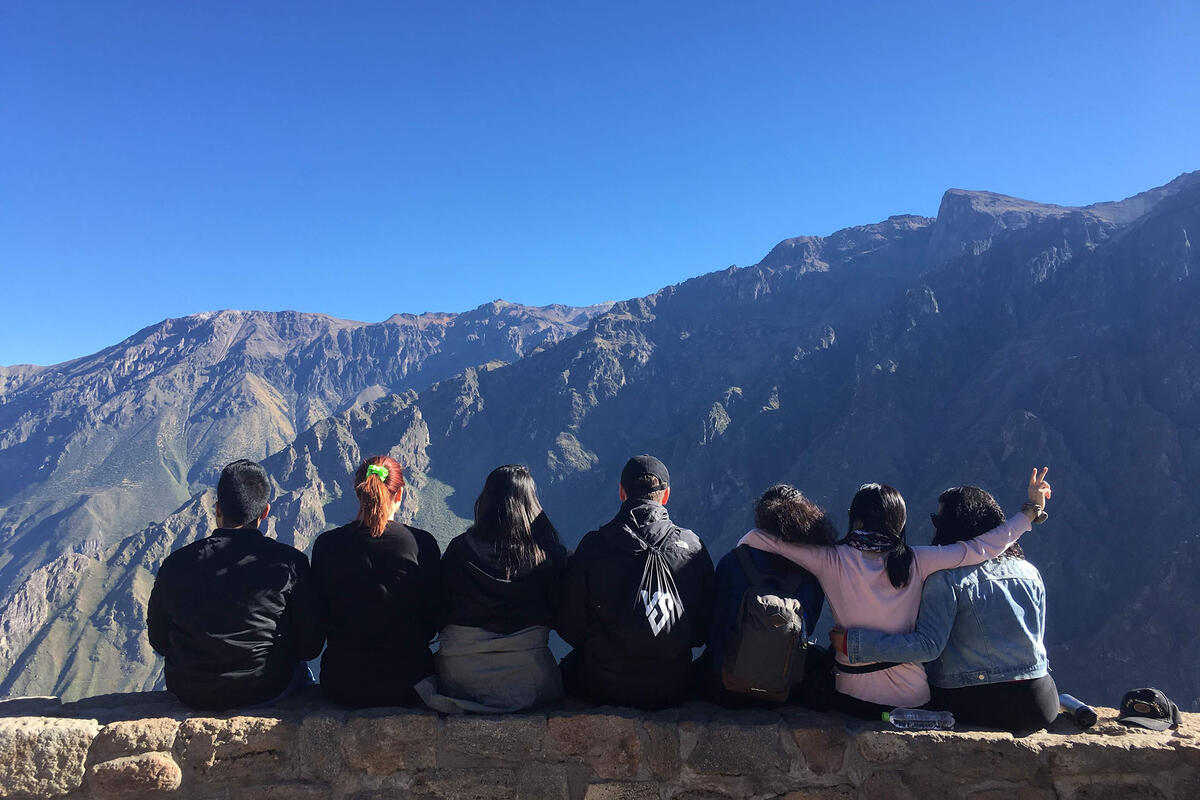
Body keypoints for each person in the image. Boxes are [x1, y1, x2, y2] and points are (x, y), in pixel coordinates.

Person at [737, 467, 1051, 718]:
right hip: (914, 700)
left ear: (855, 519)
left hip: (853, 697)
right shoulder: (920, 560)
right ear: (899, 522)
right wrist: (1030, 512)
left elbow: (763, 539)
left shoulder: (830, 559)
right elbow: (984, 547)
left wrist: (746, 545)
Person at [831, 486, 1059, 731]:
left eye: (938, 519)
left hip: (979, 703)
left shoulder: (946, 578)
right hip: (1040, 702)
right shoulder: (1029, 572)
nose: (935, 526)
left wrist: (854, 645)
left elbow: (927, 647)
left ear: (954, 524)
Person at [147, 459, 324, 710]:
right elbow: (310, 646)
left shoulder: (175, 564)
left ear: (217, 509)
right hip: (266, 688)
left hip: (191, 690)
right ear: (265, 512)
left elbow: (159, 641)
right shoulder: (290, 563)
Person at [557, 455, 716, 709]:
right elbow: (704, 627)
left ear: (622, 492)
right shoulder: (693, 547)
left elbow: (569, 624)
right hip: (674, 685)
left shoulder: (594, 546)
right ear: (666, 496)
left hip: (602, 684)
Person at [417, 464, 568, 713]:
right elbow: (561, 616)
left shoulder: (460, 550)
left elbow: (437, 610)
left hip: (461, 677)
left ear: (486, 501)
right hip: (529, 679)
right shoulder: (550, 557)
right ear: (531, 504)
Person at [309, 455, 442, 708]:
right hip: (410, 683)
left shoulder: (327, 545)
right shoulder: (421, 545)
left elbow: (319, 618)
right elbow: (435, 618)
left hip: (342, 684)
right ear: (399, 495)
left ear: (359, 492)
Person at [704, 484, 837, 707]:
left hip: (725, 689)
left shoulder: (733, 562)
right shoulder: (809, 574)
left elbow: (714, 625)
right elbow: (808, 626)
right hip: (785, 692)